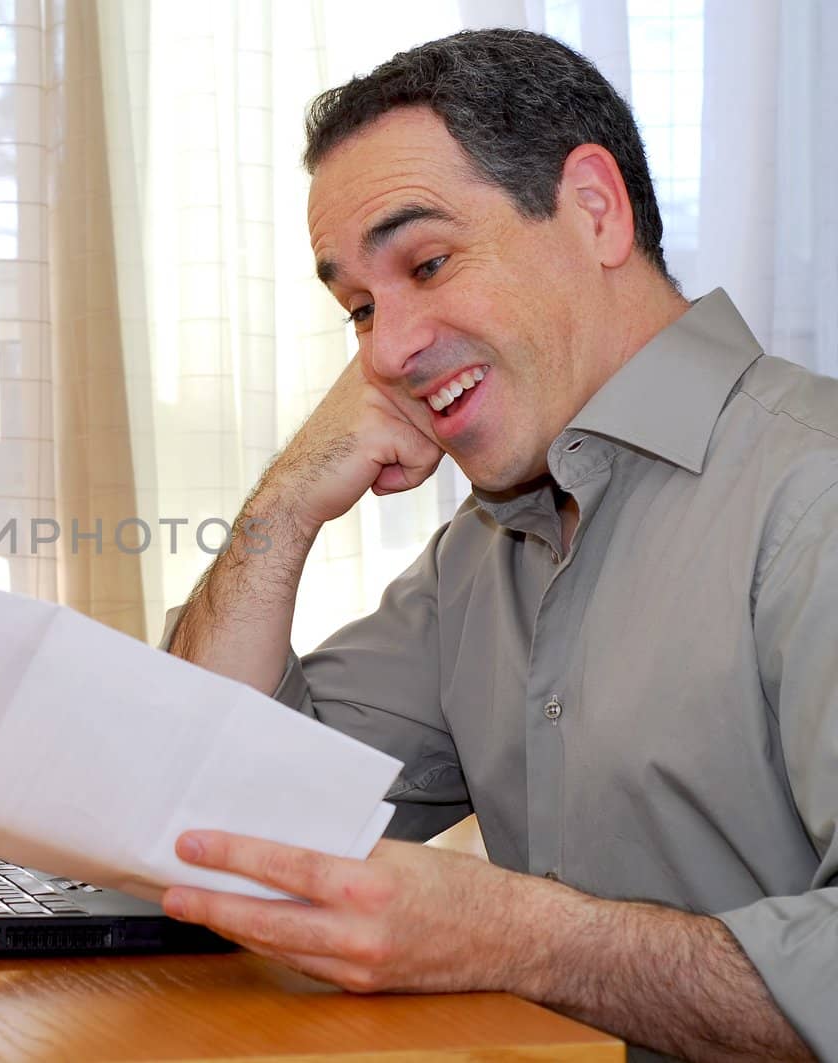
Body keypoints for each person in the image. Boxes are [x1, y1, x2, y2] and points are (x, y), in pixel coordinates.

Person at [156, 28, 834, 1063]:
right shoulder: (480, 553)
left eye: (427, 262)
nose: (385, 349)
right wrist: (286, 500)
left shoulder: (811, 489)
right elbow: (212, 811)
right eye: (359, 308)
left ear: (594, 211)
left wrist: (521, 939)